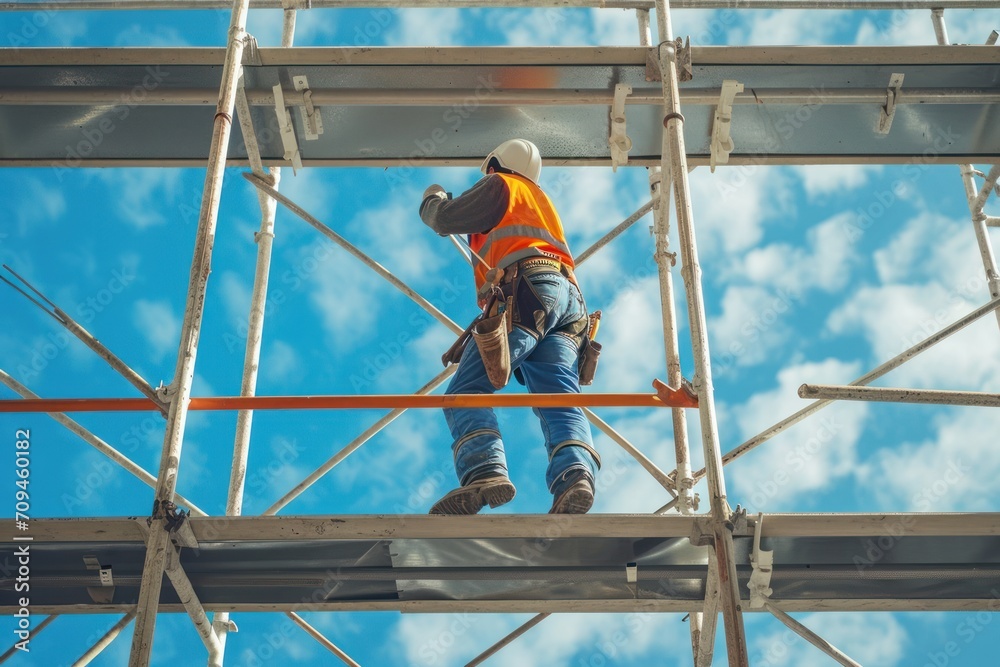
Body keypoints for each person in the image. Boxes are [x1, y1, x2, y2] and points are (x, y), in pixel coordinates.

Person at [419, 138, 600, 515]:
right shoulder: (540, 200)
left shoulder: (502, 185)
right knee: (556, 394)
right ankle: (575, 476)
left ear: (496, 164)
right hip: (570, 305)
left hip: (529, 291)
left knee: (466, 390)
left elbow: (445, 219)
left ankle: (485, 472)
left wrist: (432, 201)